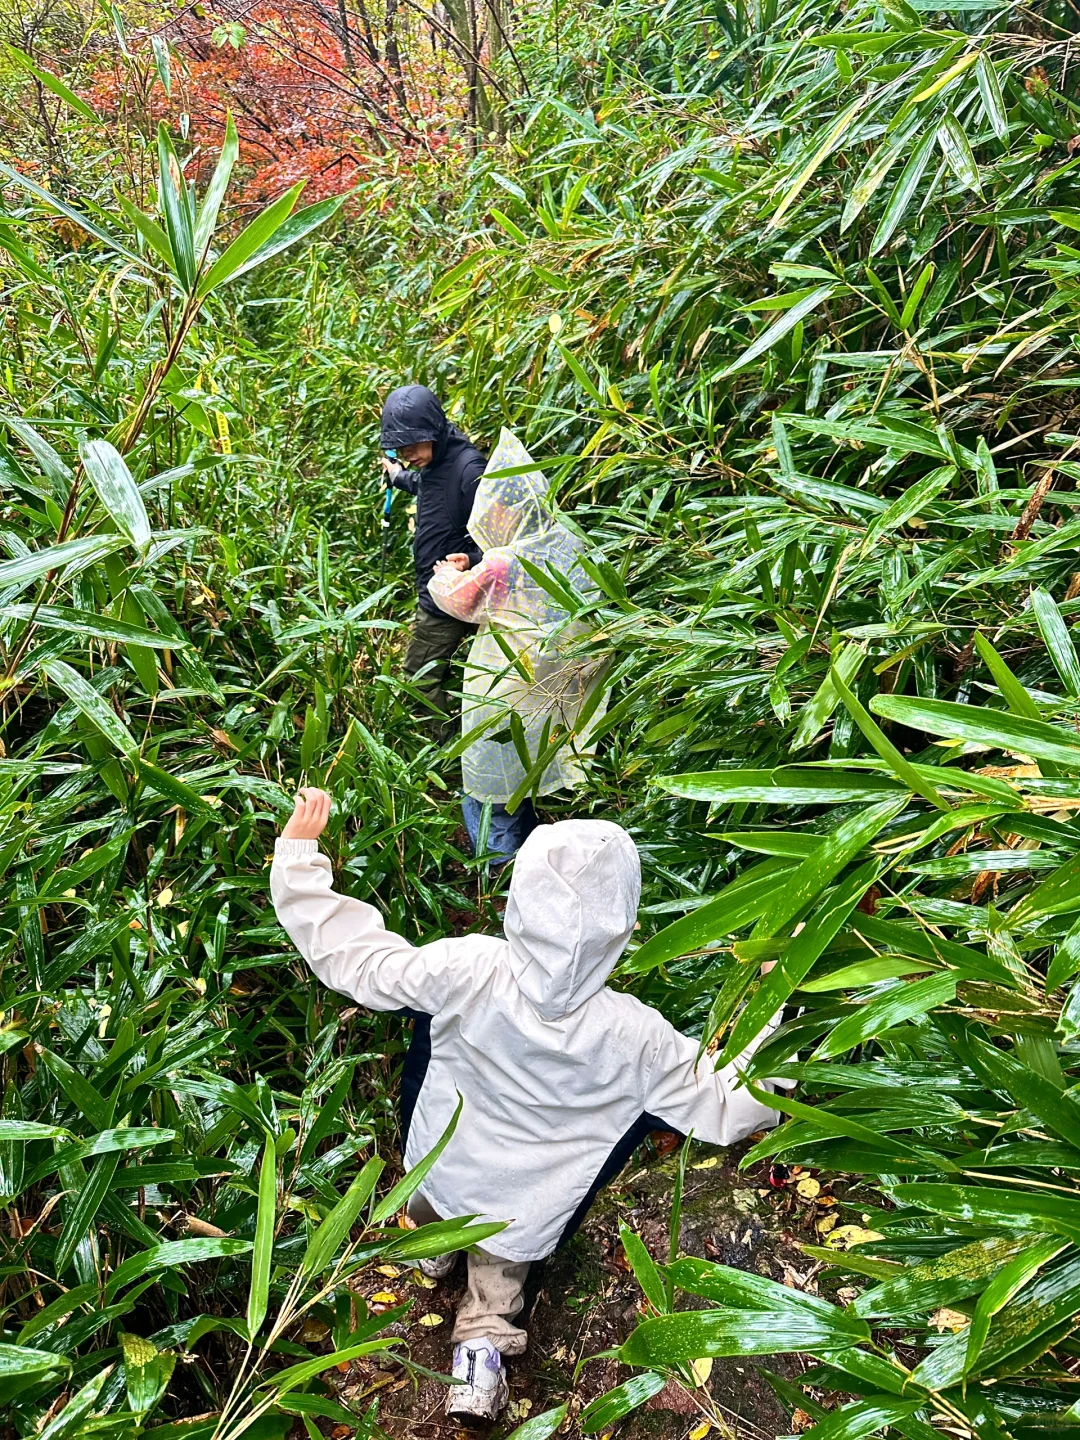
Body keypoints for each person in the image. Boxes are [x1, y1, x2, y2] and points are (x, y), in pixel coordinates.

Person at [272, 788, 788, 1423]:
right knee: (501, 1272)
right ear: (623, 927)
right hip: (527, 1203)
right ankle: (480, 1358)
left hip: (445, 1157)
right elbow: (730, 1105)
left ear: (519, 903)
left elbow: (359, 962)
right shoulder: (637, 1037)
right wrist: (774, 1009)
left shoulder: (470, 969)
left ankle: (430, 1255)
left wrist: (299, 859)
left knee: (428, 1205)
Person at [427, 429, 605, 863]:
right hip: (562, 681)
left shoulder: (504, 561)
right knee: (538, 768)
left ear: (511, 509)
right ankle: (546, 865)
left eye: (498, 508)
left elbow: (460, 600)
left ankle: (501, 878)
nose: (494, 517)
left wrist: (446, 574)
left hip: (511, 684)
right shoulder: (568, 540)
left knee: (494, 778)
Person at [379, 385, 487, 742]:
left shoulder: (469, 469)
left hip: (453, 597)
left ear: (433, 431)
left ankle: (449, 752)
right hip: (442, 592)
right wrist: (398, 477)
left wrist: (471, 560)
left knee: (419, 677)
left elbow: (505, 540)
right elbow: (428, 486)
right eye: (401, 449)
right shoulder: (437, 461)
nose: (408, 456)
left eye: (412, 446)